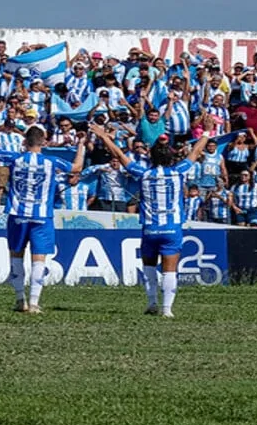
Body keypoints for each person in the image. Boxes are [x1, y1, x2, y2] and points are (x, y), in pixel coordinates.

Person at [0, 121, 85, 313]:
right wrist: (81, 144)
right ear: (43, 142)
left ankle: (20, 299)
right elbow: (76, 168)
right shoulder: (52, 162)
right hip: (42, 217)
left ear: (25, 142)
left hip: (17, 215)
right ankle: (34, 302)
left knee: (16, 256)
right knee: (39, 259)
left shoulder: (16, 158)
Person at [90, 124, 210, 318]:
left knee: (149, 267)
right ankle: (167, 309)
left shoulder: (144, 173)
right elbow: (196, 152)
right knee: (170, 270)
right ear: (171, 157)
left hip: (150, 229)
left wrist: (104, 137)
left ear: (151, 158)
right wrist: (206, 132)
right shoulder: (178, 172)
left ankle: (152, 302)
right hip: (172, 228)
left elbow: (120, 155)